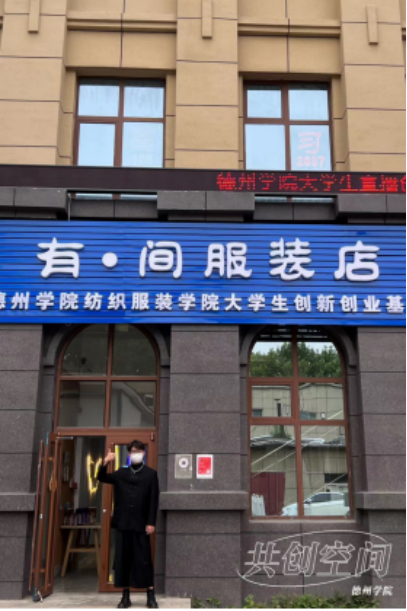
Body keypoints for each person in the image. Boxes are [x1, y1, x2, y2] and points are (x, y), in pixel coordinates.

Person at [98, 440, 159, 609]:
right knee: (123, 559)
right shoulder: (121, 473)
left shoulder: (151, 474)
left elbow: (154, 500)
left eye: (139, 451)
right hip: (123, 523)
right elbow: (102, 477)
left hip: (141, 524)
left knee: (144, 559)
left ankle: (150, 595)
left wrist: (151, 522)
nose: (136, 454)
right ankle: (125, 596)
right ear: (129, 454)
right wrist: (106, 461)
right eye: (133, 451)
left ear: (143, 453)